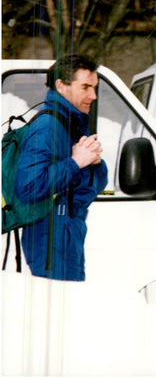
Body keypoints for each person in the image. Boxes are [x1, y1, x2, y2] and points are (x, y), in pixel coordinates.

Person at [15, 54, 108, 281]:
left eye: (94, 87)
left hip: (67, 233)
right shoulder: (48, 126)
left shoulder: (70, 123)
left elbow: (87, 188)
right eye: (86, 87)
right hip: (49, 240)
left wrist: (95, 164)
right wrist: (76, 162)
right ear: (61, 85)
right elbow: (28, 188)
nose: (93, 95)